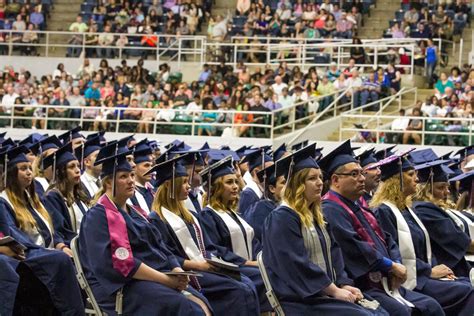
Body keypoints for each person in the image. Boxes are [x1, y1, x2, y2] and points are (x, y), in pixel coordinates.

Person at [78, 151, 212, 315]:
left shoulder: (136, 212)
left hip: (152, 277)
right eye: (123, 177)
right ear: (107, 183)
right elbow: (122, 263)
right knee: (182, 305)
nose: (131, 181)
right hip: (124, 286)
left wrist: (177, 269)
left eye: (132, 175)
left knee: (202, 304)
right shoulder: (99, 216)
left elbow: (160, 246)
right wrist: (166, 280)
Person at [319, 140, 444, 316]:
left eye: (361, 173)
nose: (362, 178)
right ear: (335, 180)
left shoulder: (358, 206)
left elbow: (387, 239)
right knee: (403, 312)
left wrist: (396, 264)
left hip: (387, 281)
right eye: (355, 174)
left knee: (431, 306)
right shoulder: (331, 208)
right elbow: (356, 248)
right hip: (363, 284)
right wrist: (391, 266)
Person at [263, 143, 387, 315]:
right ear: (297, 184)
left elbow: (335, 253)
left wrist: (345, 284)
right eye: (312, 178)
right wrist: (334, 291)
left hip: (324, 293)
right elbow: (296, 263)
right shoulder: (282, 217)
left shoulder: (316, 216)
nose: (320, 183)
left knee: (381, 311)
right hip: (301, 299)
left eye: (320, 177)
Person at [146, 152, 261, 316]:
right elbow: (165, 256)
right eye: (184, 182)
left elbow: (208, 246)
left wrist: (218, 263)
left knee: (248, 283)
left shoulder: (189, 215)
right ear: (169, 186)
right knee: (239, 289)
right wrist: (198, 265)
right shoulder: (156, 220)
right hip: (188, 273)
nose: (189, 186)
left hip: (205, 267)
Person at [371, 154, 474, 315]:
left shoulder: (407, 209)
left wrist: (436, 267)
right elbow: (394, 252)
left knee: (466, 284)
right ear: (396, 180)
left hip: (424, 274)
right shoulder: (384, 211)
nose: (417, 180)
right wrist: (429, 271)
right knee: (467, 290)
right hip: (412, 279)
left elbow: (425, 248)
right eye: (411, 175)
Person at [0, 145, 85, 315]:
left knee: (68, 257)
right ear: (10, 174)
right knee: (60, 260)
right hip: (27, 253)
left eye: (29, 169)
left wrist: (59, 244)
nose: (29, 173)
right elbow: (12, 233)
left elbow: (50, 229)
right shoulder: (4, 201)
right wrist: (44, 249)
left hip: (40, 251)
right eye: (23, 169)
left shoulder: (32, 199)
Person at [199, 154, 272, 312]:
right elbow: (215, 250)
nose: (235, 186)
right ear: (217, 187)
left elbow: (253, 242)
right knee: (264, 276)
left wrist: (263, 257)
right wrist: (250, 263)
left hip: (248, 265)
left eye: (235, 182)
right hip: (230, 269)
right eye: (229, 182)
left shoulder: (233, 214)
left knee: (272, 270)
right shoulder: (208, 215)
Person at [411, 164, 474, 279]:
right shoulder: (425, 211)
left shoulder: (434, 208)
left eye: (447, 187)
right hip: (450, 268)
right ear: (425, 189)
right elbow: (463, 243)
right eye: (440, 187)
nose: (447, 192)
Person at [43, 142, 90, 245]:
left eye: (78, 166)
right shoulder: (53, 197)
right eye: (71, 167)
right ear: (61, 172)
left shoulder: (80, 194)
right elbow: (59, 230)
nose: (78, 170)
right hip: (75, 246)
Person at [238, 147, 273, 217]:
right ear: (256, 172)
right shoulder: (248, 194)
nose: (273, 174)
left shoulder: (263, 189)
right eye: (270, 170)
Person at [128, 139, 155, 214]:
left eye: (151, 165)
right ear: (134, 167)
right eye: (146, 165)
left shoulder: (152, 191)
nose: (151, 169)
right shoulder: (130, 194)